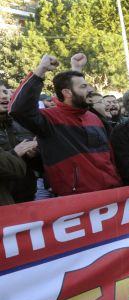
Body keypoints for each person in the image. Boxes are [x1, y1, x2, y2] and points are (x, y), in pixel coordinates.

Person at [9, 54, 122, 196]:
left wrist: (76, 69)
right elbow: (18, 109)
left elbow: (109, 155)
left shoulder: (94, 117)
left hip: (113, 193)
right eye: (84, 86)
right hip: (77, 201)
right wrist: (41, 69)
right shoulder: (49, 119)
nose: (90, 90)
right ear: (67, 92)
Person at [0, 82, 40, 202]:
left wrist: (36, 154)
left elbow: (41, 166)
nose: (4, 96)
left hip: (27, 197)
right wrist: (14, 153)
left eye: (5, 92)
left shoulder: (23, 123)